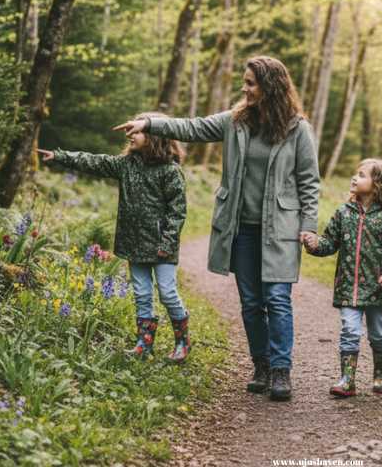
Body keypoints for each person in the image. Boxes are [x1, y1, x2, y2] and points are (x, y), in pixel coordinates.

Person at [114, 56, 320, 401]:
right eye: (244, 81)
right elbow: (192, 128)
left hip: (280, 228)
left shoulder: (298, 129)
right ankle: (261, 365)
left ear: (270, 86)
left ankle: (281, 370)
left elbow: (309, 182)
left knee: (278, 300)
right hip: (240, 229)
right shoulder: (234, 121)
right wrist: (149, 123)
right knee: (252, 302)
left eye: (251, 83)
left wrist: (308, 226)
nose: (245, 88)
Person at [38, 111, 190, 362]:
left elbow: (177, 211)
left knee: (167, 293)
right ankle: (144, 343)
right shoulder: (126, 165)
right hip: (133, 242)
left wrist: (168, 241)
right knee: (141, 293)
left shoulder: (170, 171)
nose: (130, 134)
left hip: (163, 246)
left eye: (137, 131)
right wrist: (60, 156)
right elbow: (93, 161)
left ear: (156, 136)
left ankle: (182, 342)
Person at [303, 159, 382, 397]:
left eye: (361, 175)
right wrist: (314, 243)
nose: (354, 178)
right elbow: (330, 242)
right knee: (349, 330)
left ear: (378, 184)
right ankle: (347, 379)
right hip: (348, 287)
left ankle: (380, 372)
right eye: (355, 174)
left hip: (378, 288)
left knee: (378, 334)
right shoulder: (343, 212)